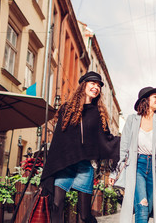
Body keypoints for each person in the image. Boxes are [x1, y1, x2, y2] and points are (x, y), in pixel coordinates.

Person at [41, 71, 120, 223]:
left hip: (84, 167)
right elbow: (58, 140)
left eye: (98, 85)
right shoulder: (67, 109)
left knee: (85, 215)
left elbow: (105, 139)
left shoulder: (98, 113)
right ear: (84, 85)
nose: (96, 87)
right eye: (93, 83)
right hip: (65, 165)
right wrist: (51, 166)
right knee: (57, 205)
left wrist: (125, 141)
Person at [109, 87, 156, 223]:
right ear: (145, 100)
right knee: (142, 207)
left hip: (155, 170)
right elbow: (123, 149)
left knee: (148, 210)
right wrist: (115, 173)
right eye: (155, 97)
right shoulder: (132, 120)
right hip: (137, 166)